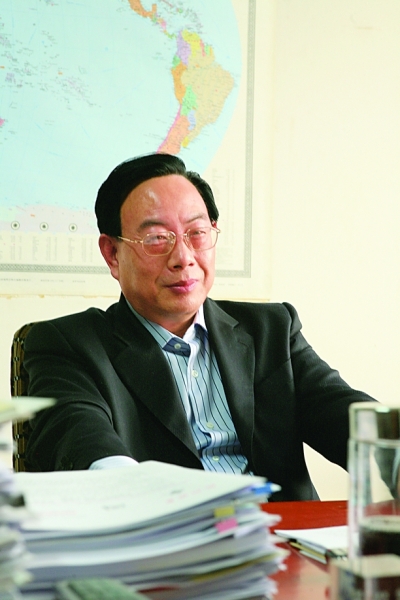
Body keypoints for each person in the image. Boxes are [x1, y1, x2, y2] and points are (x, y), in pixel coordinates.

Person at [23, 152, 376, 501]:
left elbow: (342, 414)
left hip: (284, 530)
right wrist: (128, 492)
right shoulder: (68, 344)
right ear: (112, 254)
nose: (183, 258)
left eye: (197, 233)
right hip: (163, 528)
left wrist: (391, 448)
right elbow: (81, 436)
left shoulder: (272, 329)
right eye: (156, 238)